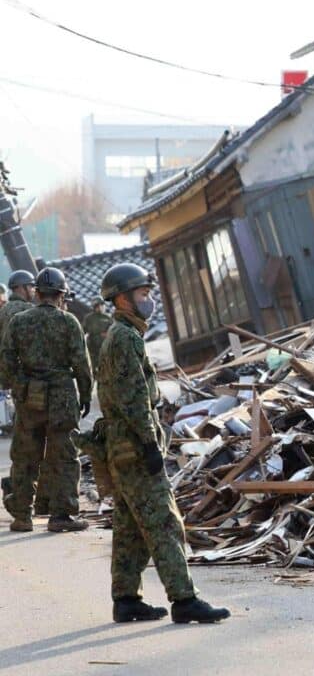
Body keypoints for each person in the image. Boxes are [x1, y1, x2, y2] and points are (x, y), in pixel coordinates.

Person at [95, 263, 229, 624]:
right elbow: (134, 398)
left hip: (122, 448)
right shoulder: (125, 338)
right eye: (143, 294)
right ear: (123, 299)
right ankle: (184, 599)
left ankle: (126, 599)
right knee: (164, 523)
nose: (149, 300)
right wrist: (150, 444)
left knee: (129, 527)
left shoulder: (121, 335)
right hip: (135, 448)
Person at [0, 268, 91, 533]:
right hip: (62, 395)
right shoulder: (69, 322)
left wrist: (20, 386)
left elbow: (5, 362)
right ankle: (61, 515)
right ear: (61, 295)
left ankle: (22, 516)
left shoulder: (19, 321)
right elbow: (82, 365)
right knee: (64, 456)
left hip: (30, 396)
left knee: (25, 456)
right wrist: (85, 394)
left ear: (37, 293)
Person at [82, 297, 113, 376]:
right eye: (97, 306)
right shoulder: (89, 318)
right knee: (92, 369)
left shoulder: (108, 318)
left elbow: (114, 332)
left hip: (105, 347)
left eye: (101, 305)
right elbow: (83, 331)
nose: (100, 308)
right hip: (92, 347)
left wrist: (108, 334)